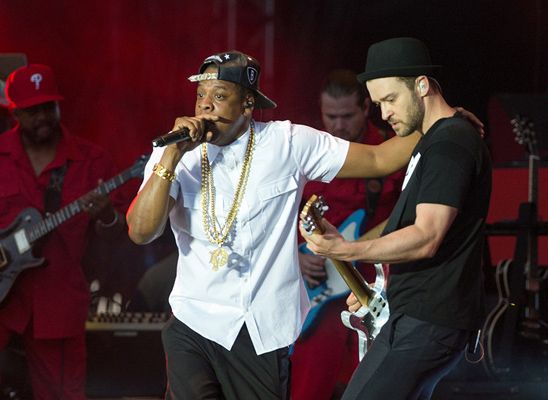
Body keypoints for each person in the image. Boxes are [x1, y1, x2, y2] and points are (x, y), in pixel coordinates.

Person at [126, 50, 426, 400]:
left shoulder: (288, 142)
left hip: (260, 329)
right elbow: (141, 231)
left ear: (248, 104)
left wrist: (439, 122)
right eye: (201, 96)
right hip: (193, 322)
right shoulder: (176, 153)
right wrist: (172, 157)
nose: (206, 106)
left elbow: (379, 158)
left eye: (220, 96)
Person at [300, 37, 492, 400]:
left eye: (390, 100)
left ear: (422, 85)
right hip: (417, 316)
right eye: (377, 104)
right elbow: (406, 227)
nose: (384, 114)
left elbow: (427, 235)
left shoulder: (450, 144)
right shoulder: (434, 139)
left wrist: (349, 249)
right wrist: (375, 285)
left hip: (427, 322)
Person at [0, 64, 125, 399]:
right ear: (14, 112)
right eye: (31, 110)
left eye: (48, 107)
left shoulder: (92, 160)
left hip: (57, 301)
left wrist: (108, 216)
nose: (41, 117)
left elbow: (121, 234)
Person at [290, 69, 407, 400]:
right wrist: (294, 256)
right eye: (330, 116)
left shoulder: (390, 151)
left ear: (366, 108)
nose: (338, 125)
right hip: (318, 291)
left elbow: (410, 218)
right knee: (308, 386)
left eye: (346, 116)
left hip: (375, 286)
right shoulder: (309, 150)